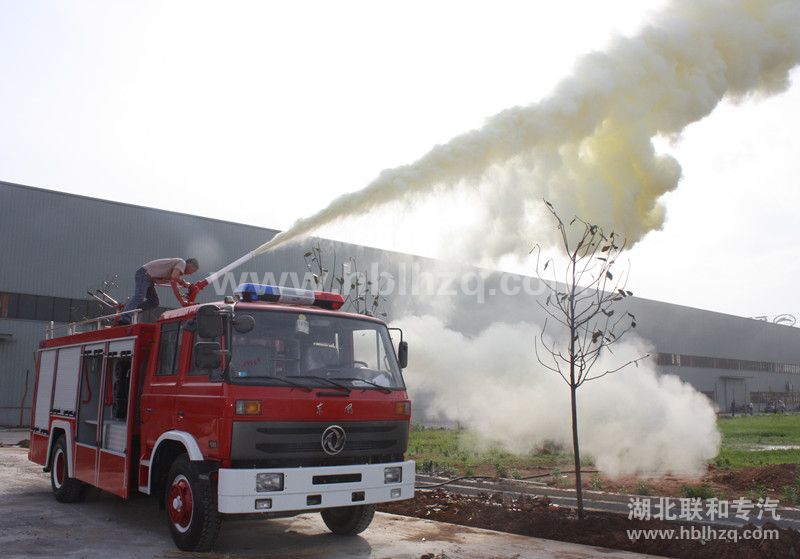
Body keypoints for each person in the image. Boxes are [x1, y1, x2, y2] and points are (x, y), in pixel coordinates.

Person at [119, 258, 199, 323]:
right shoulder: (182, 263)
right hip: (144, 274)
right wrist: (182, 284)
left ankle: (128, 310)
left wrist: (181, 299)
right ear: (190, 264)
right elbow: (174, 278)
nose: (191, 273)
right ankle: (125, 316)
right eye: (193, 270)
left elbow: (174, 284)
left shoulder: (176, 271)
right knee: (139, 296)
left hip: (149, 279)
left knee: (154, 302)